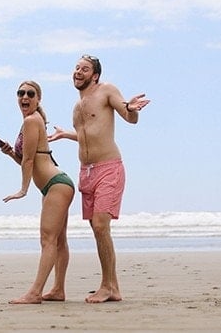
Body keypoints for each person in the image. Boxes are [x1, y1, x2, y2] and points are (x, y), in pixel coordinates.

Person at [48, 55, 150, 303]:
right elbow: (89, 134)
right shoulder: (77, 106)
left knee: (102, 225)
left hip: (108, 168)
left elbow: (129, 117)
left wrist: (132, 109)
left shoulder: (107, 91)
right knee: (97, 229)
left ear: (95, 75)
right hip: (86, 172)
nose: (78, 72)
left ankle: (107, 286)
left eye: (84, 69)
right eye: (76, 68)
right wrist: (67, 135)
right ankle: (112, 287)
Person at [0, 81, 75, 304]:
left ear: (38, 98)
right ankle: (58, 290)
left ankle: (35, 292)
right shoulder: (31, 121)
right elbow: (26, 160)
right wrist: (11, 152)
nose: (25, 97)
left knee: (47, 239)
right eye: (20, 93)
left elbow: (30, 160)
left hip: (56, 185)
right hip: (56, 186)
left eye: (30, 93)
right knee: (58, 240)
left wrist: (23, 189)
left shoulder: (32, 120)